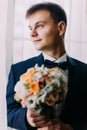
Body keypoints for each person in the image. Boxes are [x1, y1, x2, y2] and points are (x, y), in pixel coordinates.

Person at [6, 2, 87, 130]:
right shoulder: (18, 70)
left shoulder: (85, 72)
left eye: (39, 26)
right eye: (30, 28)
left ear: (60, 28)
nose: (32, 34)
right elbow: (9, 113)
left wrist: (69, 128)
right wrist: (26, 118)